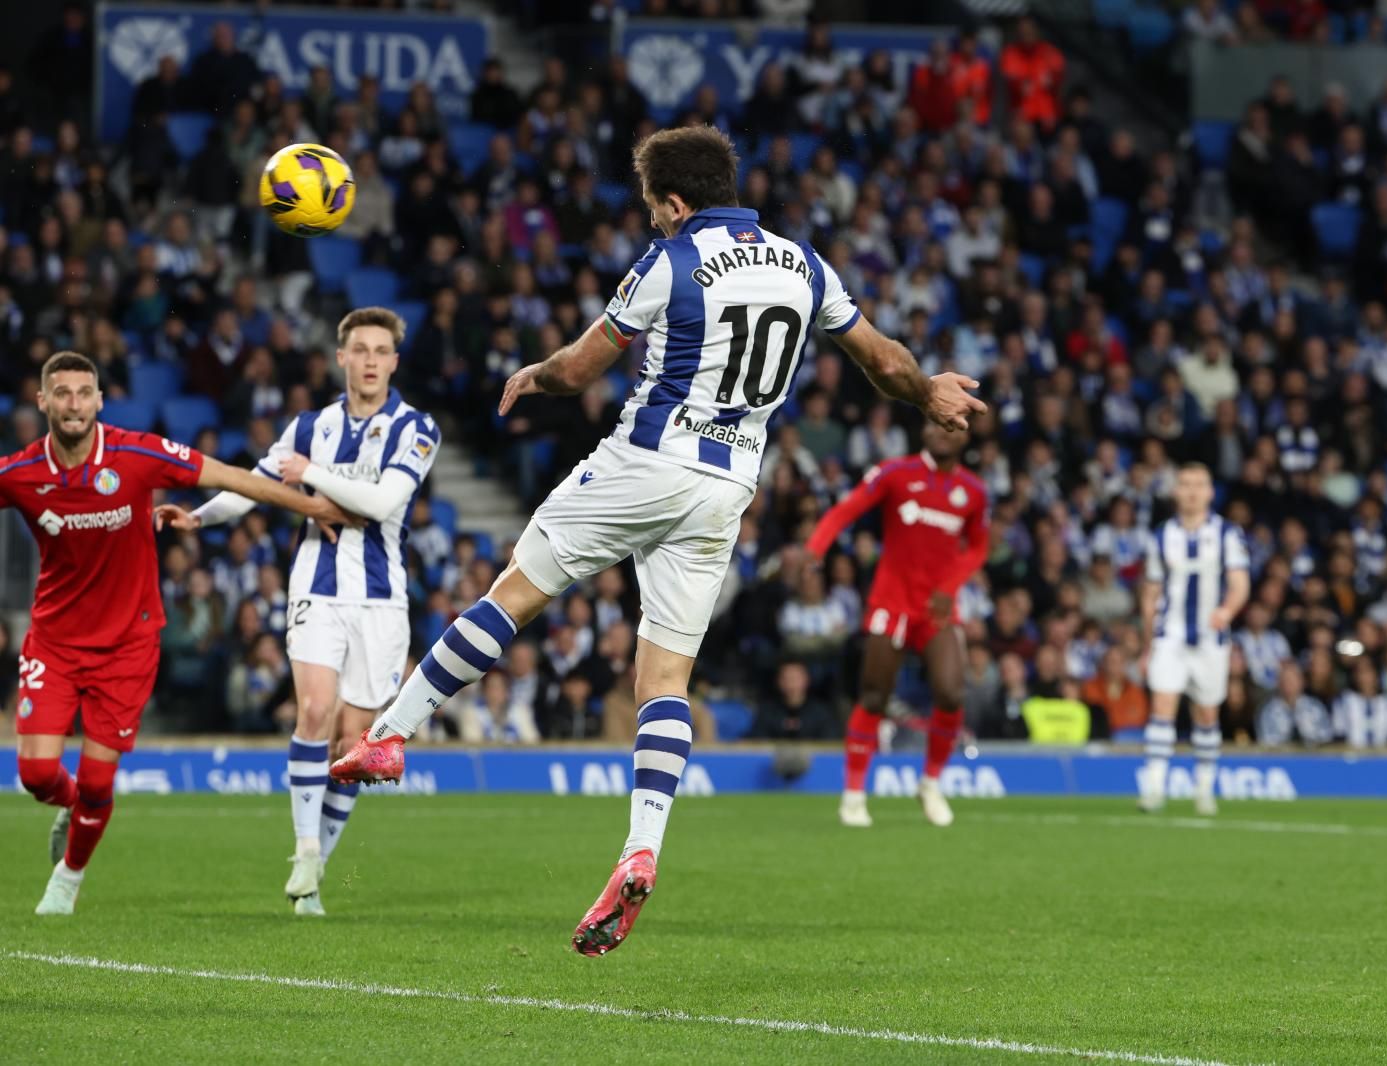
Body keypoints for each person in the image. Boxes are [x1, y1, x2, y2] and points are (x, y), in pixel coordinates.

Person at [330, 126, 983, 955]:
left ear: (675, 203)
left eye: (652, 211)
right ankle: (642, 845)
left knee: (515, 596)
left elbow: (578, 369)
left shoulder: (672, 263)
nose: (651, 224)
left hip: (645, 461)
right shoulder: (803, 263)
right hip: (726, 491)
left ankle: (391, 732)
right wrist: (931, 393)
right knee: (664, 677)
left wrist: (536, 374)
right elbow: (883, 360)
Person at [2, 351, 348, 916]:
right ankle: (69, 806)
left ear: (98, 400)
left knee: (96, 780)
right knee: (38, 774)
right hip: (54, 642)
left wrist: (311, 507)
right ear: (42, 401)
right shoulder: (21, 473)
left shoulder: (136, 454)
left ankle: (68, 879)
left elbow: (235, 478)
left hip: (127, 646)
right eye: (60, 393)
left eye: (82, 393)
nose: (72, 404)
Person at [164, 308, 437, 917]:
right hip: (316, 586)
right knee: (313, 709)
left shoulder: (415, 428)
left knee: (354, 743)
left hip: (381, 600)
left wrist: (311, 481)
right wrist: (198, 517)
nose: (369, 360)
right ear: (340, 357)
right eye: (358, 349)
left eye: (380, 351)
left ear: (394, 361)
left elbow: (384, 501)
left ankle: (316, 874)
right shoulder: (309, 425)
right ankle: (305, 852)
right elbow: (254, 488)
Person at [805, 422, 990, 828]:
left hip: (937, 607)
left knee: (951, 693)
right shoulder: (895, 472)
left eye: (952, 427)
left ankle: (931, 783)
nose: (941, 432)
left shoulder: (973, 492)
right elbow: (847, 509)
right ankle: (854, 794)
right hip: (892, 601)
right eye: (934, 422)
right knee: (874, 696)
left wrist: (951, 585)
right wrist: (815, 548)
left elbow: (978, 545)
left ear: (965, 437)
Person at [1138, 464, 1250, 815]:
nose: (1191, 491)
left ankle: (1204, 787)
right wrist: (1147, 644)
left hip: (1209, 639)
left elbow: (1240, 583)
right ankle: (1154, 786)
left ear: (1210, 492)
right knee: (1163, 706)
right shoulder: (1161, 535)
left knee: (1205, 713)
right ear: (1176, 491)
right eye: (1185, 484)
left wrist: (1226, 612)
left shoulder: (1226, 534)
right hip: (1169, 635)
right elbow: (1151, 593)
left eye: (1198, 484)